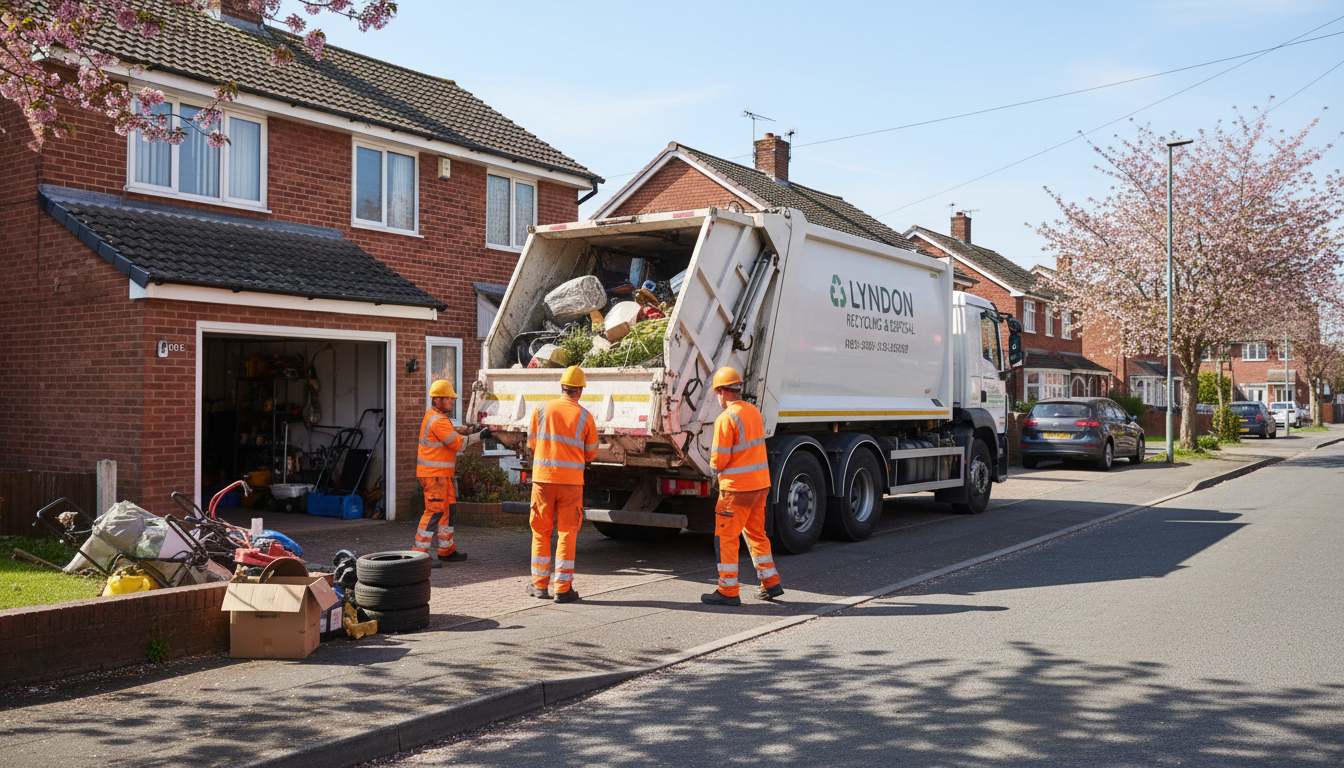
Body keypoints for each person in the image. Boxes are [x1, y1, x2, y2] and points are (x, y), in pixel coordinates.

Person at [702, 366, 783, 607]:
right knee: (757, 534)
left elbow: (720, 459)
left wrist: (712, 468)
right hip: (760, 487)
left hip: (736, 491)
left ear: (721, 391)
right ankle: (771, 583)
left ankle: (728, 590)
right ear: (737, 389)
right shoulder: (753, 412)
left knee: (726, 537)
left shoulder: (726, 418)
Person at [527, 366, 599, 603]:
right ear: (580, 391)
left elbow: (531, 444)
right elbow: (590, 454)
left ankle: (539, 585)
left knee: (541, 532)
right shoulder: (585, 417)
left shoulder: (541, 409)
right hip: (570, 484)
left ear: (562, 387)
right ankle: (562, 589)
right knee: (567, 533)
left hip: (543, 480)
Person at [415, 379, 483, 567]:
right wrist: (480, 436)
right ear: (436, 400)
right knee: (434, 512)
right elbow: (459, 444)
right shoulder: (438, 421)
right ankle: (419, 555)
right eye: (448, 398)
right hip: (434, 475)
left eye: (452, 398)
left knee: (447, 510)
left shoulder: (436, 417)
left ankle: (446, 550)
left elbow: (453, 431)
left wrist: (471, 429)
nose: (452, 401)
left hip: (441, 475)